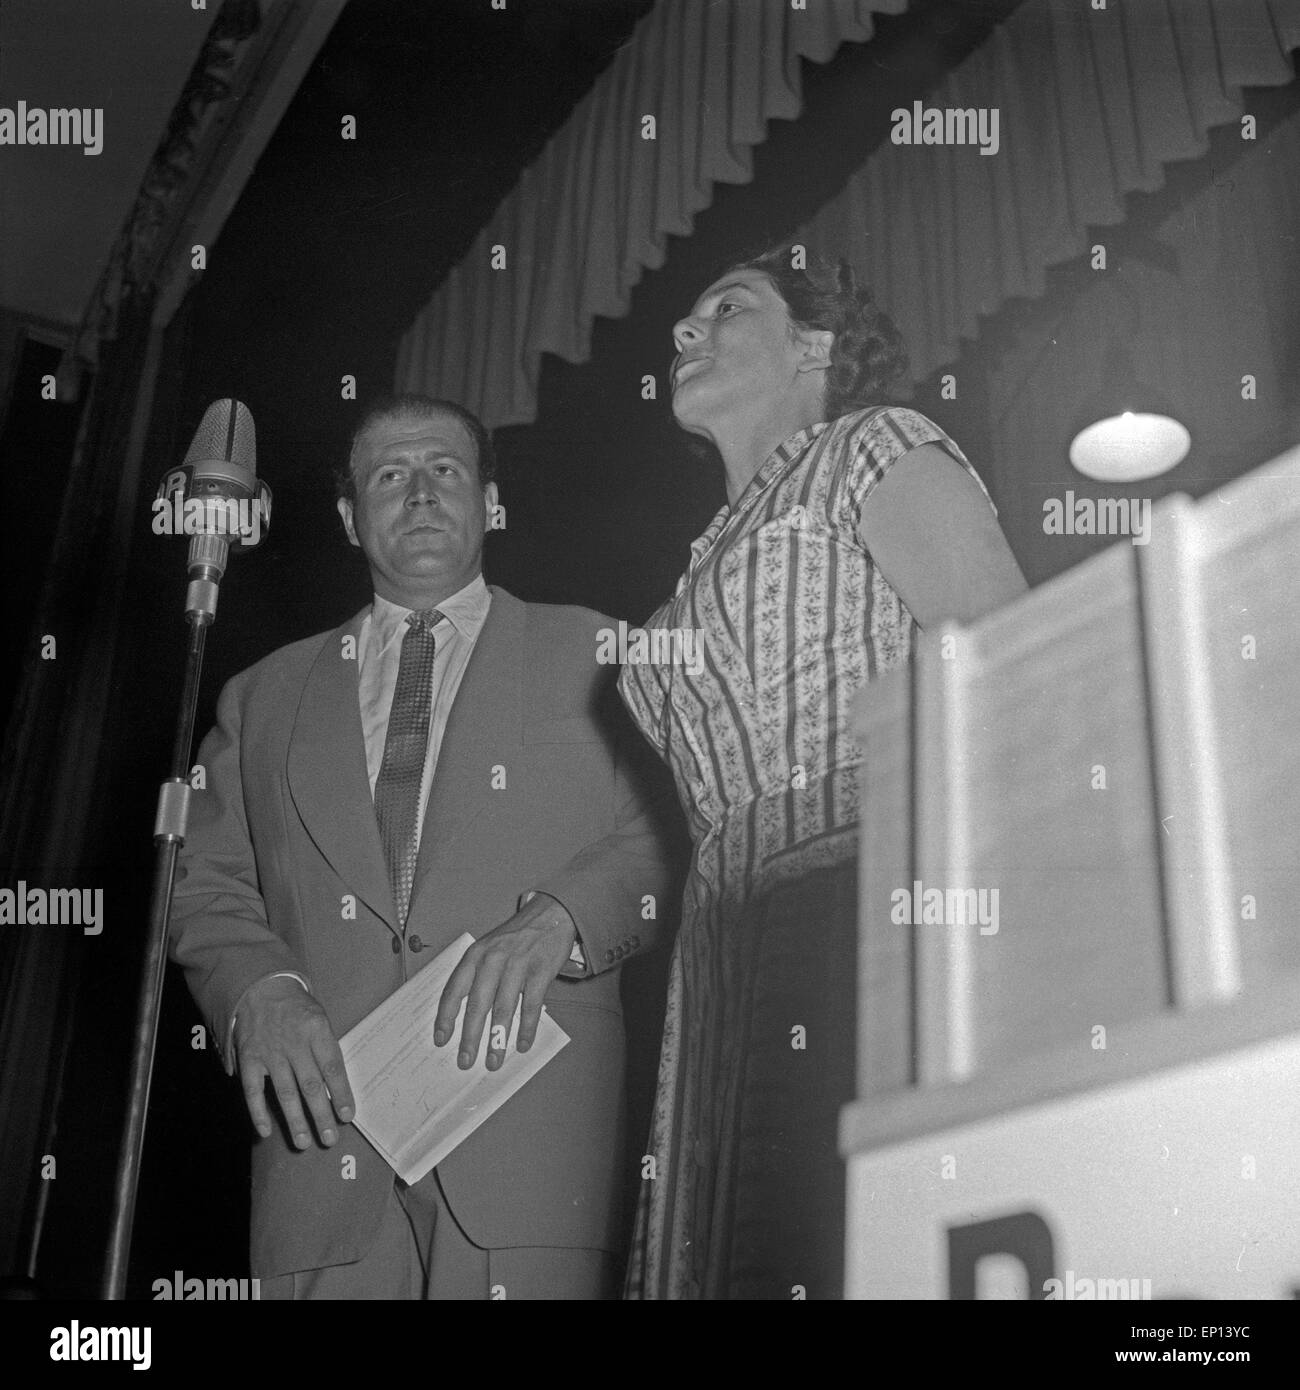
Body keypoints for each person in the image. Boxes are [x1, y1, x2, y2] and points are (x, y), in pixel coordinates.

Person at [169, 394, 680, 1299]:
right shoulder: (260, 696)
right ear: (347, 516)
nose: (419, 496)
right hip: (321, 1162)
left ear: (488, 499)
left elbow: (675, 830)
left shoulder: (605, 652)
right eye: (390, 476)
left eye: (445, 471)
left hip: (534, 1162)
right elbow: (201, 878)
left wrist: (560, 918)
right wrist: (259, 992)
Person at [617, 247, 1027, 1300]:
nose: (686, 329)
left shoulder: (868, 447)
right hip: (721, 936)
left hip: (862, 893)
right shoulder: (696, 558)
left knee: (837, 1236)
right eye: (686, 316)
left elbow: (1008, 670)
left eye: (728, 306)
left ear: (816, 346)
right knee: (738, 1248)